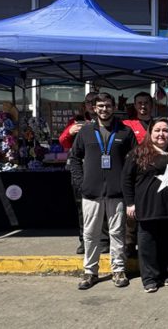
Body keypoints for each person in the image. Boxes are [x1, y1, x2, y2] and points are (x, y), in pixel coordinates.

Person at [69, 92, 137, 290]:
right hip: (91, 192)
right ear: (94, 108)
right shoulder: (85, 132)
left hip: (117, 192)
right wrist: (81, 183)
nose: (104, 109)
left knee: (117, 233)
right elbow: (74, 158)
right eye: (100, 106)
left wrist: (127, 185)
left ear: (114, 107)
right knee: (91, 233)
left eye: (108, 105)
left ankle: (118, 269)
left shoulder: (125, 131)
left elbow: (135, 160)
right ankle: (90, 271)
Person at [122, 118, 168, 293]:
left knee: (167, 243)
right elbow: (126, 180)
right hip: (147, 208)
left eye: (165, 130)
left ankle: (166, 272)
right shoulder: (138, 153)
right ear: (150, 132)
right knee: (147, 244)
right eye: (157, 130)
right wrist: (130, 203)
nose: (161, 134)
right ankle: (149, 278)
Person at [59, 91, 108, 255]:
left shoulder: (107, 121)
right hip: (81, 170)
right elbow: (63, 142)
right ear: (85, 105)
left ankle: (104, 240)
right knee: (82, 208)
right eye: (89, 102)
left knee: (104, 206)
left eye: (95, 102)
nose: (92, 106)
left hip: (102, 170)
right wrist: (70, 131)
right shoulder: (76, 121)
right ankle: (83, 241)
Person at [122, 91, 156, 257]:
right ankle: (129, 243)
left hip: (156, 172)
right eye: (140, 103)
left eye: (146, 103)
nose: (143, 106)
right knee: (132, 210)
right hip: (135, 171)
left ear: (152, 105)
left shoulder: (158, 123)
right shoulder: (127, 124)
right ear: (135, 105)